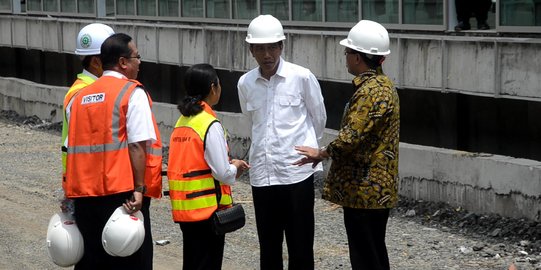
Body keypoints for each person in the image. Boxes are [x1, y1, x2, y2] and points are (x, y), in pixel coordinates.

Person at [294, 20, 399, 270]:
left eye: (348, 52)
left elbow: (350, 137)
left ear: (358, 57)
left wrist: (320, 154)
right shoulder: (383, 86)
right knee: (373, 251)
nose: (346, 57)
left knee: (365, 256)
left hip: (364, 189)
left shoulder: (370, 92)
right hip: (374, 189)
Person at [64, 33, 161, 269]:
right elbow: (137, 144)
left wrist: (67, 193)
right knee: (130, 260)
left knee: (92, 260)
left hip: (84, 196)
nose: (140, 62)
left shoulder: (79, 97)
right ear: (123, 62)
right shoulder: (132, 93)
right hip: (122, 194)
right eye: (137, 56)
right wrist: (139, 190)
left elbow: (70, 147)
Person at [237, 14, 327, 270]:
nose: (267, 54)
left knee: (300, 246)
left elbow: (318, 117)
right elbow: (251, 121)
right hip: (263, 175)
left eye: (272, 47)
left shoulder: (301, 77)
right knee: (268, 246)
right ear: (251, 49)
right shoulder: (245, 83)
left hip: (295, 173)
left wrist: (311, 149)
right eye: (261, 48)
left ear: (281, 47)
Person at [167, 63, 249, 270]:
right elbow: (222, 173)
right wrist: (235, 167)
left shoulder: (182, 122)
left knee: (193, 263)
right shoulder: (209, 124)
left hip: (186, 208)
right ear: (213, 88)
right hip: (207, 210)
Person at [60, 23, 114, 213]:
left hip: (85, 179)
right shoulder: (85, 94)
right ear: (96, 63)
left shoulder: (83, 90)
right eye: (112, 60)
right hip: (86, 182)